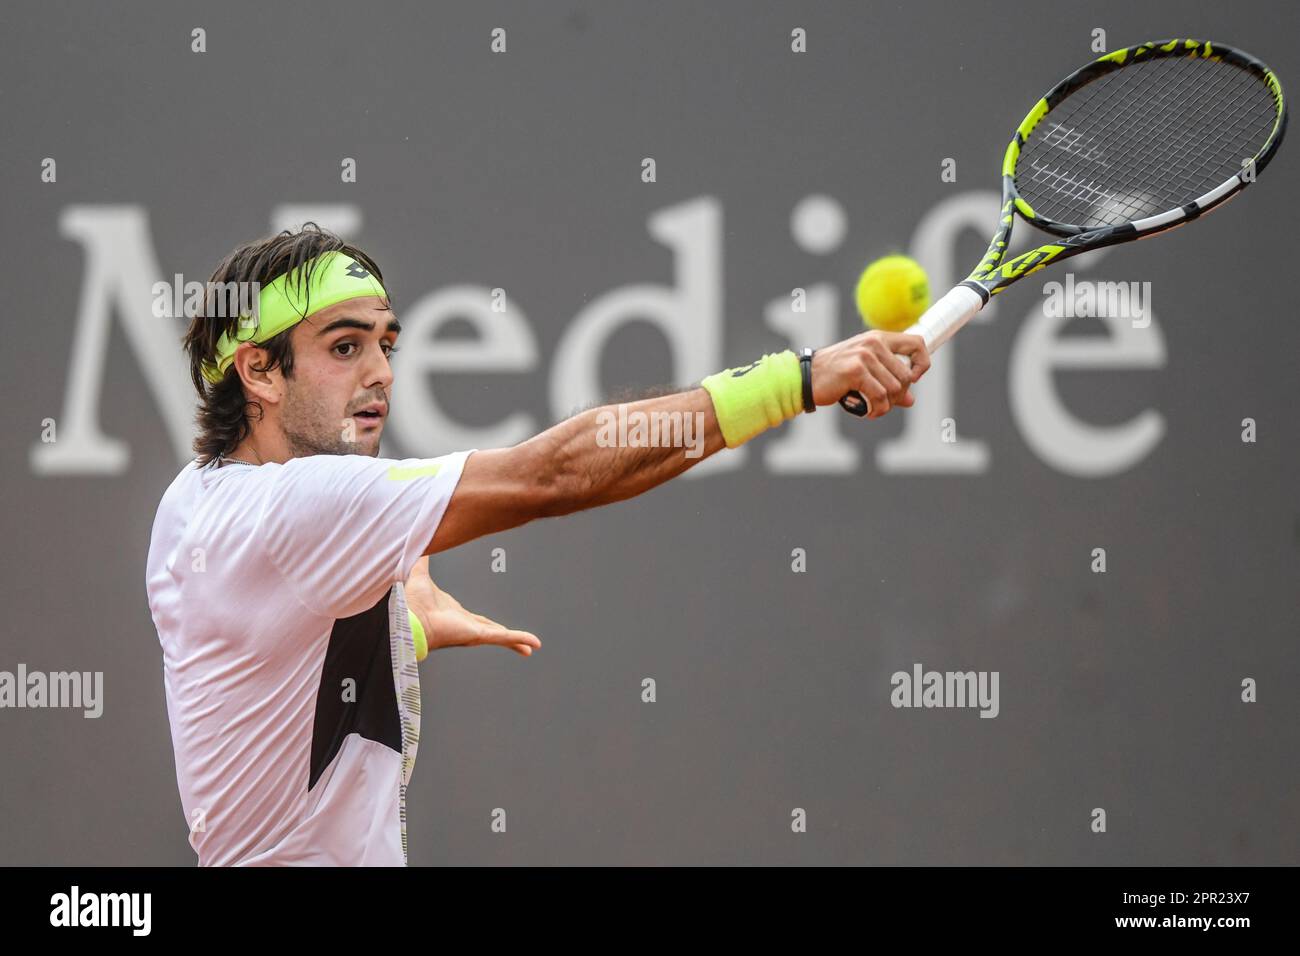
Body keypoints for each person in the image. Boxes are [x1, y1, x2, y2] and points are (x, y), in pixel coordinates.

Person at [145, 223, 929, 865]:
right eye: (345, 348)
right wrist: (795, 381)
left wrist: (402, 632)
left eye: (388, 343)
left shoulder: (193, 504)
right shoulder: (302, 507)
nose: (382, 371)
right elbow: (553, 474)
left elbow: (262, 668)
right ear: (260, 372)